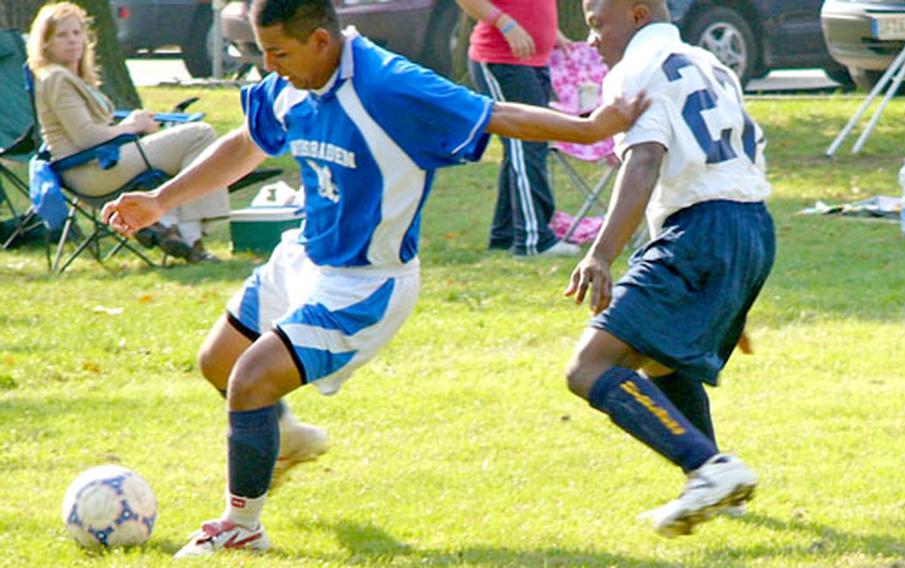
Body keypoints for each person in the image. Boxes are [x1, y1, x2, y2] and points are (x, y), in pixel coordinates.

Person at [101, 0, 646, 557]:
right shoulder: (292, 82)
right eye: (263, 53)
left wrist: (588, 128)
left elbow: (494, 115)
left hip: (365, 283)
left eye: (278, 53)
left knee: (250, 379)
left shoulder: (391, 86)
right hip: (304, 255)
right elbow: (248, 141)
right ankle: (283, 437)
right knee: (217, 362)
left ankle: (242, 526)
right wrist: (160, 199)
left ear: (320, 41)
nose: (268, 67)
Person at [562, 0, 775, 538]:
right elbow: (736, 165)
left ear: (635, 14)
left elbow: (646, 161)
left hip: (702, 229)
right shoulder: (710, 62)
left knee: (588, 366)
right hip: (749, 227)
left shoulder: (637, 68)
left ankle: (710, 469)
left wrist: (601, 253)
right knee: (660, 361)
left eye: (595, 24)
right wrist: (732, 291)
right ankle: (716, 485)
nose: (591, 40)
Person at [27, 1, 229, 262]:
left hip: (101, 163)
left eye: (77, 33)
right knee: (200, 135)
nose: (73, 41)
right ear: (45, 43)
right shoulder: (56, 78)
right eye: (62, 35)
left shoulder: (70, 77)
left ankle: (170, 225)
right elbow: (85, 137)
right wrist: (134, 126)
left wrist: (132, 122)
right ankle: (186, 234)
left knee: (193, 147)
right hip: (90, 170)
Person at [456, 0, 577, 258]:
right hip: (501, 59)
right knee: (528, 144)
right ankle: (534, 241)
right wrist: (506, 23)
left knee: (522, 148)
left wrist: (551, 32)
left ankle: (506, 234)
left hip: (533, 61)